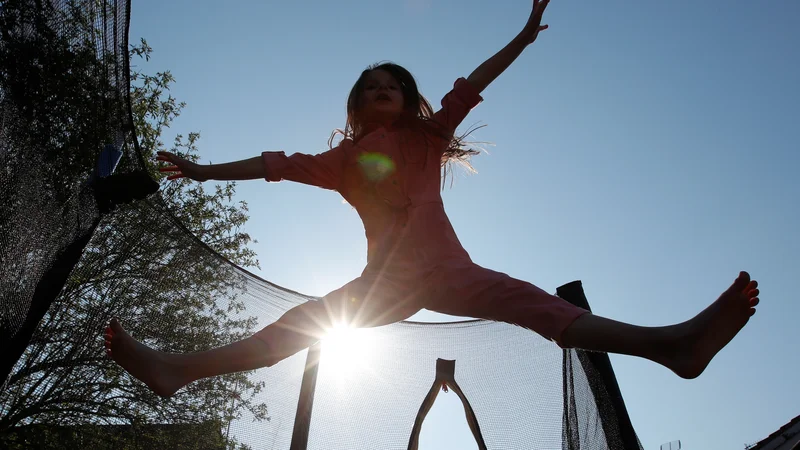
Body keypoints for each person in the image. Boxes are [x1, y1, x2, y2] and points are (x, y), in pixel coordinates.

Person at [105, 0, 759, 398]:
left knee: (538, 306)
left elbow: (471, 85)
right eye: (369, 88)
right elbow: (274, 165)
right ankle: (180, 371)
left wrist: (523, 38)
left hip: (451, 271)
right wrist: (204, 169)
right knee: (305, 323)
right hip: (385, 281)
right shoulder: (340, 161)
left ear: (408, 98)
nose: (380, 91)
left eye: (391, 85)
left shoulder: (428, 137)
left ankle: (670, 346)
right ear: (356, 108)